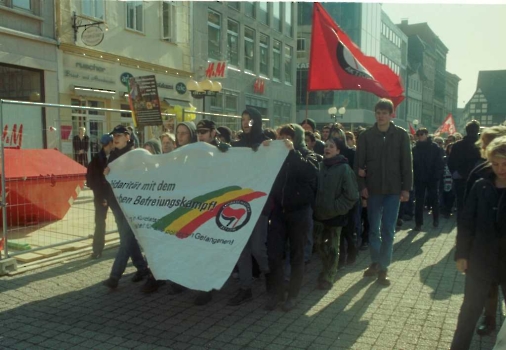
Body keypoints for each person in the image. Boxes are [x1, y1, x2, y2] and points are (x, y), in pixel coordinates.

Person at [451, 136, 506, 350]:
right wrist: (462, 254)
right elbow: (466, 222)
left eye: (505, 164)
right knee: (469, 312)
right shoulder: (481, 186)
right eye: (495, 164)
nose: (500, 169)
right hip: (481, 259)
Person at [354, 98, 413, 286]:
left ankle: (384, 267)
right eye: (378, 113)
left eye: (384, 113)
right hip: (373, 190)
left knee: (388, 229)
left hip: (393, 190)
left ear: (391, 114)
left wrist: (406, 188)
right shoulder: (366, 136)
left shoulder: (401, 135)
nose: (381, 116)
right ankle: (375, 262)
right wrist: (362, 185)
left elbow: (407, 163)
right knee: (373, 229)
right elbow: (358, 164)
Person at [265, 124, 318, 312]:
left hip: (299, 212)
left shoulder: (308, 155)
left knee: (297, 256)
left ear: (297, 138)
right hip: (279, 211)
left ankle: (292, 295)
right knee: (273, 254)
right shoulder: (276, 154)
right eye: (282, 136)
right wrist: (263, 149)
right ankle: (278, 293)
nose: (284, 139)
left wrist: (292, 151)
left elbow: (309, 173)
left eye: (289, 136)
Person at [464, 125, 506, 337]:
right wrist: (464, 249)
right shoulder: (480, 174)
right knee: (488, 288)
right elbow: (468, 212)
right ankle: (489, 320)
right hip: (485, 249)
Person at [228, 108, 271, 307]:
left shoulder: (266, 142)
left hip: (259, 204)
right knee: (242, 249)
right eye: (243, 119)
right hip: (239, 204)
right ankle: (246, 288)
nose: (245, 123)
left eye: (250, 120)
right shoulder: (236, 145)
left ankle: (270, 274)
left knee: (257, 248)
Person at [102, 125, 149, 289]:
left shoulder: (135, 156)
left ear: (128, 137)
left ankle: (114, 276)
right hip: (116, 204)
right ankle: (142, 268)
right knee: (128, 239)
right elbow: (111, 182)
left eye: (119, 135)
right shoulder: (113, 155)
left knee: (126, 240)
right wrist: (106, 174)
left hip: (131, 205)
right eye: (114, 135)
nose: (115, 137)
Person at [313, 137, 358, 289]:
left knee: (332, 248)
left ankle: (329, 276)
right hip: (319, 215)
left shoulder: (344, 168)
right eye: (326, 145)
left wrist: (336, 207)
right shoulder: (320, 166)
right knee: (318, 244)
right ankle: (327, 268)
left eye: (331, 146)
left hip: (335, 216)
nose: (327, 148)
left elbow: (352, 195)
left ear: (338, 150)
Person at [86, 134, 114, 259]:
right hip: (102, 196)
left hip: (115, 196)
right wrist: (101, 197)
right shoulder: (97, 159)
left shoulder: (116, 157)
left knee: (122, 222)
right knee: (100, 222)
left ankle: (127, 246)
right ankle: (97, 249)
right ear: (109, 144)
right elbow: (92, 180)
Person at [411, 128, 444, 231]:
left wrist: (437, 176)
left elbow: (439, 163)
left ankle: (436, 219)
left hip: (432, 178)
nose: (420, 136)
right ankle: (418, 223)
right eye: (418, 134)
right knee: (419, 201)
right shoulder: (415, 148)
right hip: (419, 178)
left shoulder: (434, 147)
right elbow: (413, 164)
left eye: (422, 134)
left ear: (426, 134)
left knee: (434, 199)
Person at [448, 120, 481, 219]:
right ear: (477, 131)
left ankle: (462, 229)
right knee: (477, 206)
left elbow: (451, 162)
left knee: (461, 205)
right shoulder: (481, 145)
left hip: (460, 178)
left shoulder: (457, 145)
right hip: (478, 179)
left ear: (466, 131)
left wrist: (456, 173)